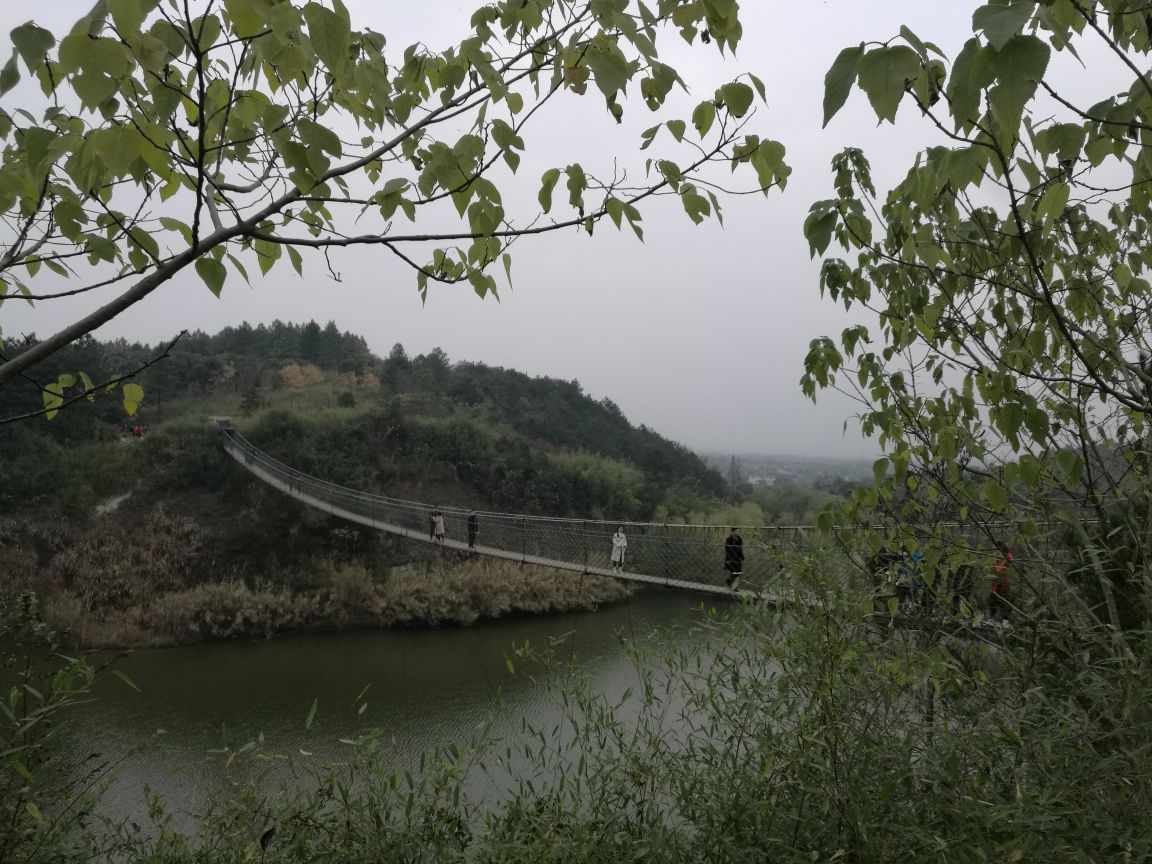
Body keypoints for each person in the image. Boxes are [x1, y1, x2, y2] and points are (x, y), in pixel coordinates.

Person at [990, 545, 1013, 622]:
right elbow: (993, 568)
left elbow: (1008, 561)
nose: (995, 552)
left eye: (997, 549)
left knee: (1003, 600)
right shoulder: (995, 557)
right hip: (995, 581)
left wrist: (1003, 561)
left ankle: (1004, 619)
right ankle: (992, 618)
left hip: (1004, 582)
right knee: (992, 600)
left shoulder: (1007, 556)